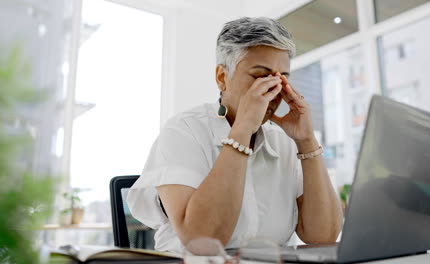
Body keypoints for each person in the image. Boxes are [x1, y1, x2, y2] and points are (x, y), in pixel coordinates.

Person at [127, 17, 343, 253]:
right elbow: (203, 240)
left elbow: (322, 235)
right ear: (222, 78)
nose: (274, 90)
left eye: (282, 78)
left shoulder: (283, 141)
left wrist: (306, 141)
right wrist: (241, 131)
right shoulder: (183, 131)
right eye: (261, 76)